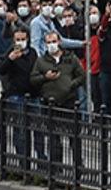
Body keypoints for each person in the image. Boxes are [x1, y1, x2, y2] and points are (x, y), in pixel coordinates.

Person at [29, 32, 84, 167]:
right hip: (50, 103)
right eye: (48, 42)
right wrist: (45, 77)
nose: (51, 45)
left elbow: (81, 76)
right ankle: (56, 165)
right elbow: (33, 79)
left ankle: (78, 164)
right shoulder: (41, 61)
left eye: (54, 41)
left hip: (69, 101)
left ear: (59, 42)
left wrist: (71, 84)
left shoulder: (71, 58)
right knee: (53, 137)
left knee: (74, 135)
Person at [0, 27, 38, 156]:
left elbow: (32, 69)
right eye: (18, 39)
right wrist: (10, 59)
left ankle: (40, 159)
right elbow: (1, 70)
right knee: (20, 130)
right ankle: (22, 158)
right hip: (16, 95)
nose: (20, 42)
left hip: (32, 94)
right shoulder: (10, 52)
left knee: (38, 129)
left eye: (23, 39)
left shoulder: (32, 53)